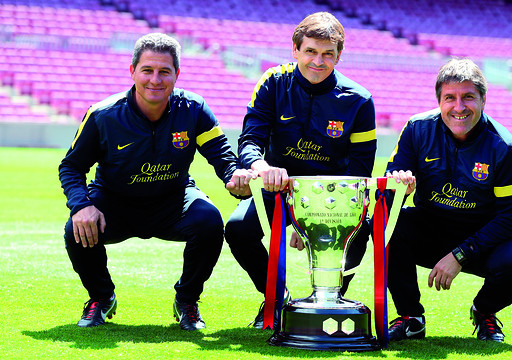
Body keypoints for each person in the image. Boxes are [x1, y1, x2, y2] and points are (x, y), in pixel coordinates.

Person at [59, 33, 252, 331]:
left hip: (173, 201)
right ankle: (101, 297)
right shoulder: (103, 115)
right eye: (147, 70)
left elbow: (222, 156)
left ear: (177, 74)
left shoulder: (194, 109)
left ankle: (187, 300)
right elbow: (71, 167)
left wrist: (233, 176)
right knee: (76, 228)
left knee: (210, 221)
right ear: (133, 70)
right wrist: (81, 205)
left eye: (164, 71)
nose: (155, 80)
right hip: (114, 201)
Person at [224, 12, 377, 329]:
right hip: (277, 189)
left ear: (338, 56)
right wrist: (261, 166)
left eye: (327, 54)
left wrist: (313, 217)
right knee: (238, 229)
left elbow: (360, 170)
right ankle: (277, 298)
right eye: (310, 51)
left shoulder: (360, 101)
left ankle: (327, 304)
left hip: (331, 198)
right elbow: (251, 139)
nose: (318, 61)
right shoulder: (273, 83)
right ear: (295, 50)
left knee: (363, 227)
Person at [384, 58, 512, 342]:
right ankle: (410, 317)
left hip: (484, 238)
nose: (459, 107)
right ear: (439, 100)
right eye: (449, 98)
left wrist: (459, 255)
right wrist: (399, 186)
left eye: (468, 97)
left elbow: (511, 219)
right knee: (384, 223)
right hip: (431, 229)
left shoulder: (505, 146)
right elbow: (387, 189)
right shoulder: (416, 129)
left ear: (483, 99)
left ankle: (484, 311)